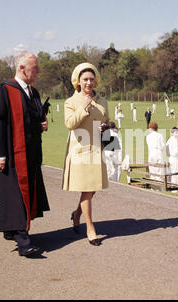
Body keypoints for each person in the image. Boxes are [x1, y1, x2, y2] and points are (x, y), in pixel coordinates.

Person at [0, 52, 50, 257]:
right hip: (12, 155)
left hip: (30, 154)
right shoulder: (5, 90)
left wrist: (42, 124)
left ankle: (11, 229)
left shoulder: (33, 92)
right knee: (15, 196)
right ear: (22, 68)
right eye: (35, 67)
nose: (38, 71)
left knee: (20, 195)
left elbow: (33, 120)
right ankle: (23, 242)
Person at [62, 62, 109, 246]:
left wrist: (106, 127)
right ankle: (90, 228)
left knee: (92, 189)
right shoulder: (71, 102)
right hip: (80, 150)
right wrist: (84, 108)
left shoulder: (103, 101)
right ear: (78, 82)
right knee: (87, 190)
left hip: (98, 149)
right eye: (85, 79)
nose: (89, 82)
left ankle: (77, 214)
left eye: (91, 79)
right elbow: (70, 124)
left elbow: (108, 121)